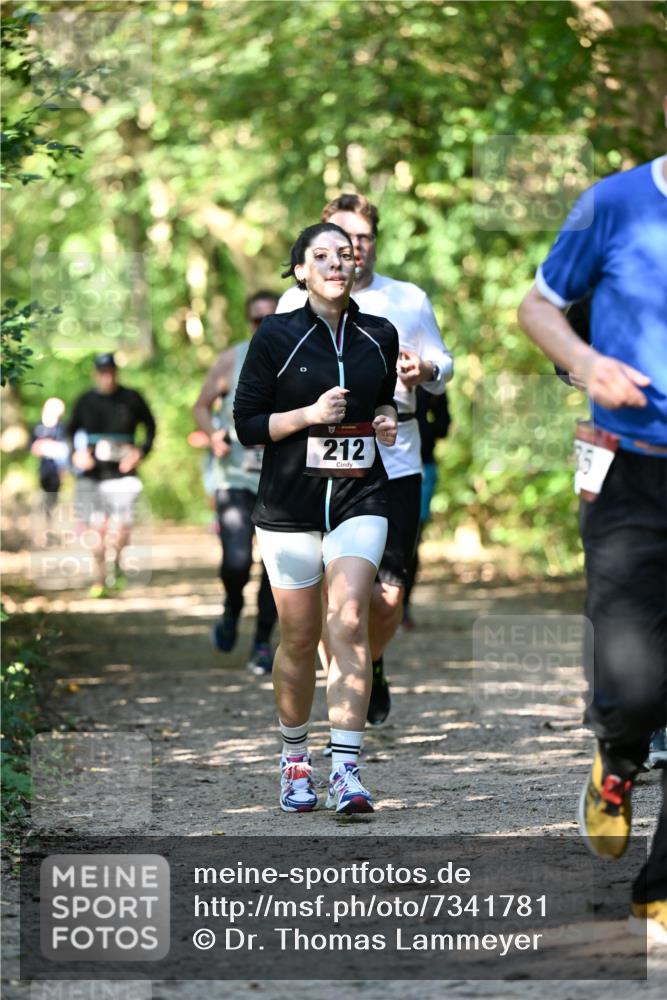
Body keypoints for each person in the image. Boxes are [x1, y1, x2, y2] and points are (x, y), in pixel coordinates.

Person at [518, 150, 667, 942]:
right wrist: (583, 362)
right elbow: (538, 306)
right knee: (632, 678)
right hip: (629, 463)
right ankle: (617, 758)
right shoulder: (613, 203)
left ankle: (664, 882)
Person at [234, 222, 398, 814]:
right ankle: (295, 759)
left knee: (350, 619)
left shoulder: (379, 333)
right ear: (300, 271)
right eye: (321, 256)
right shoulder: (276, 336)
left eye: (345, 255)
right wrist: (306, 414)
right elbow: (248, 424)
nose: (335, 264)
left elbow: (384, 398)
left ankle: (348, 772)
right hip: (289, 506)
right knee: (300, 637)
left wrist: (384, 417)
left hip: (361, 495)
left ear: (357, 267)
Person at [277, 193, 452, 727]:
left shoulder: (408, 299)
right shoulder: (292, 303)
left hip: (394, 456)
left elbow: (445, 363)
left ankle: (371, 660)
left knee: (389, 597)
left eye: (363, 239)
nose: (351, 249)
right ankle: (345, 688)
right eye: (340, 238)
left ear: (374, 243)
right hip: (319, 461)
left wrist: (426, 371)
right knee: (340, 597)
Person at [192, 291, 279, 675]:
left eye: (272, 319)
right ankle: (231, 608)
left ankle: (262, 642)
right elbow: (200, 406)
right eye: (257, 320)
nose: (264, 326)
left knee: (279, 568)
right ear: (249, 323)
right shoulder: (231, 359)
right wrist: (213, 433)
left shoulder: (303, 356)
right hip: (236, 477)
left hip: (282, 479)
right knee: (237, 560)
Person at [68, 353, 156, 598]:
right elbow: (69, 431)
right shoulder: (84, 401)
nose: (107, 376)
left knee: (121, 529)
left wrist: (140, 452)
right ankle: (98, 580)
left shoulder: (132, 398)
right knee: (97, 530)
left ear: (116, 372)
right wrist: (76, 454)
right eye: (103, 372)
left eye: (111, 371)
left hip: (123, 475)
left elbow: (151, 427)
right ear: (96, 374)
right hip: (93, 476)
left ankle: (116, 564)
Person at [402, 386, 451, 630]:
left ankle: (404, 604)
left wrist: (419, 430)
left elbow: (444, 424)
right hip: (383, 465)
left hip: (423, 466)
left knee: (413, 538)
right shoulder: (379, 364)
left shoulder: (432, 383)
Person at [31, 397, 69, 521]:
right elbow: (32, 446)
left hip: (57, 469)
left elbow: (65, 449)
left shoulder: (62, 428)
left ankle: (49, 520)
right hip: (43, 469)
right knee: (43, 494)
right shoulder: (37, 427)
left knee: (53, 497)